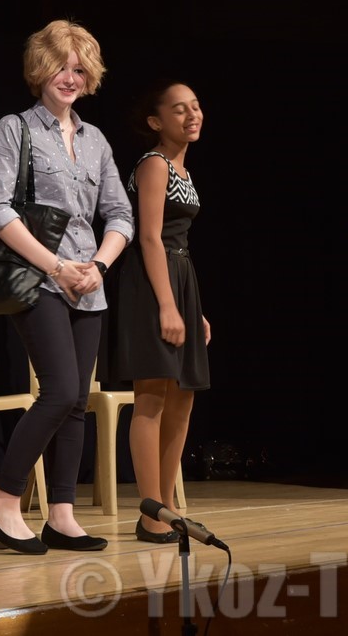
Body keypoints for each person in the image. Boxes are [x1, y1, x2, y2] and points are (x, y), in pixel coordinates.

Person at [0, 19, 134, 554]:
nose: (70, 77)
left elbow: (120, 214)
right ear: (39, 70)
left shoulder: (95, 140)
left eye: (79, 69)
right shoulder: (15, 129)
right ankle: (3, 503)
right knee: (60, 390)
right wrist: (56, 266)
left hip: (88, 283)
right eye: (61, 67)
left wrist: (99, 265)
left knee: (75, 404)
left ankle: (61, 515)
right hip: (40, 279)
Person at [103, 79, 211, 543]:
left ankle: (166, 511)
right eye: (179, 109)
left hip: (180, 277)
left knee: (182, 399)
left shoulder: (184, 172)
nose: (192, 115)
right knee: (151, 398)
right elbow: (148, 237)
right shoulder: (154, 164)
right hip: (152, 283)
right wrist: (167, 305)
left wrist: (194, 310)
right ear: (155, 121)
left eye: (196, 106)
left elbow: (179, 243)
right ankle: (151, 514)